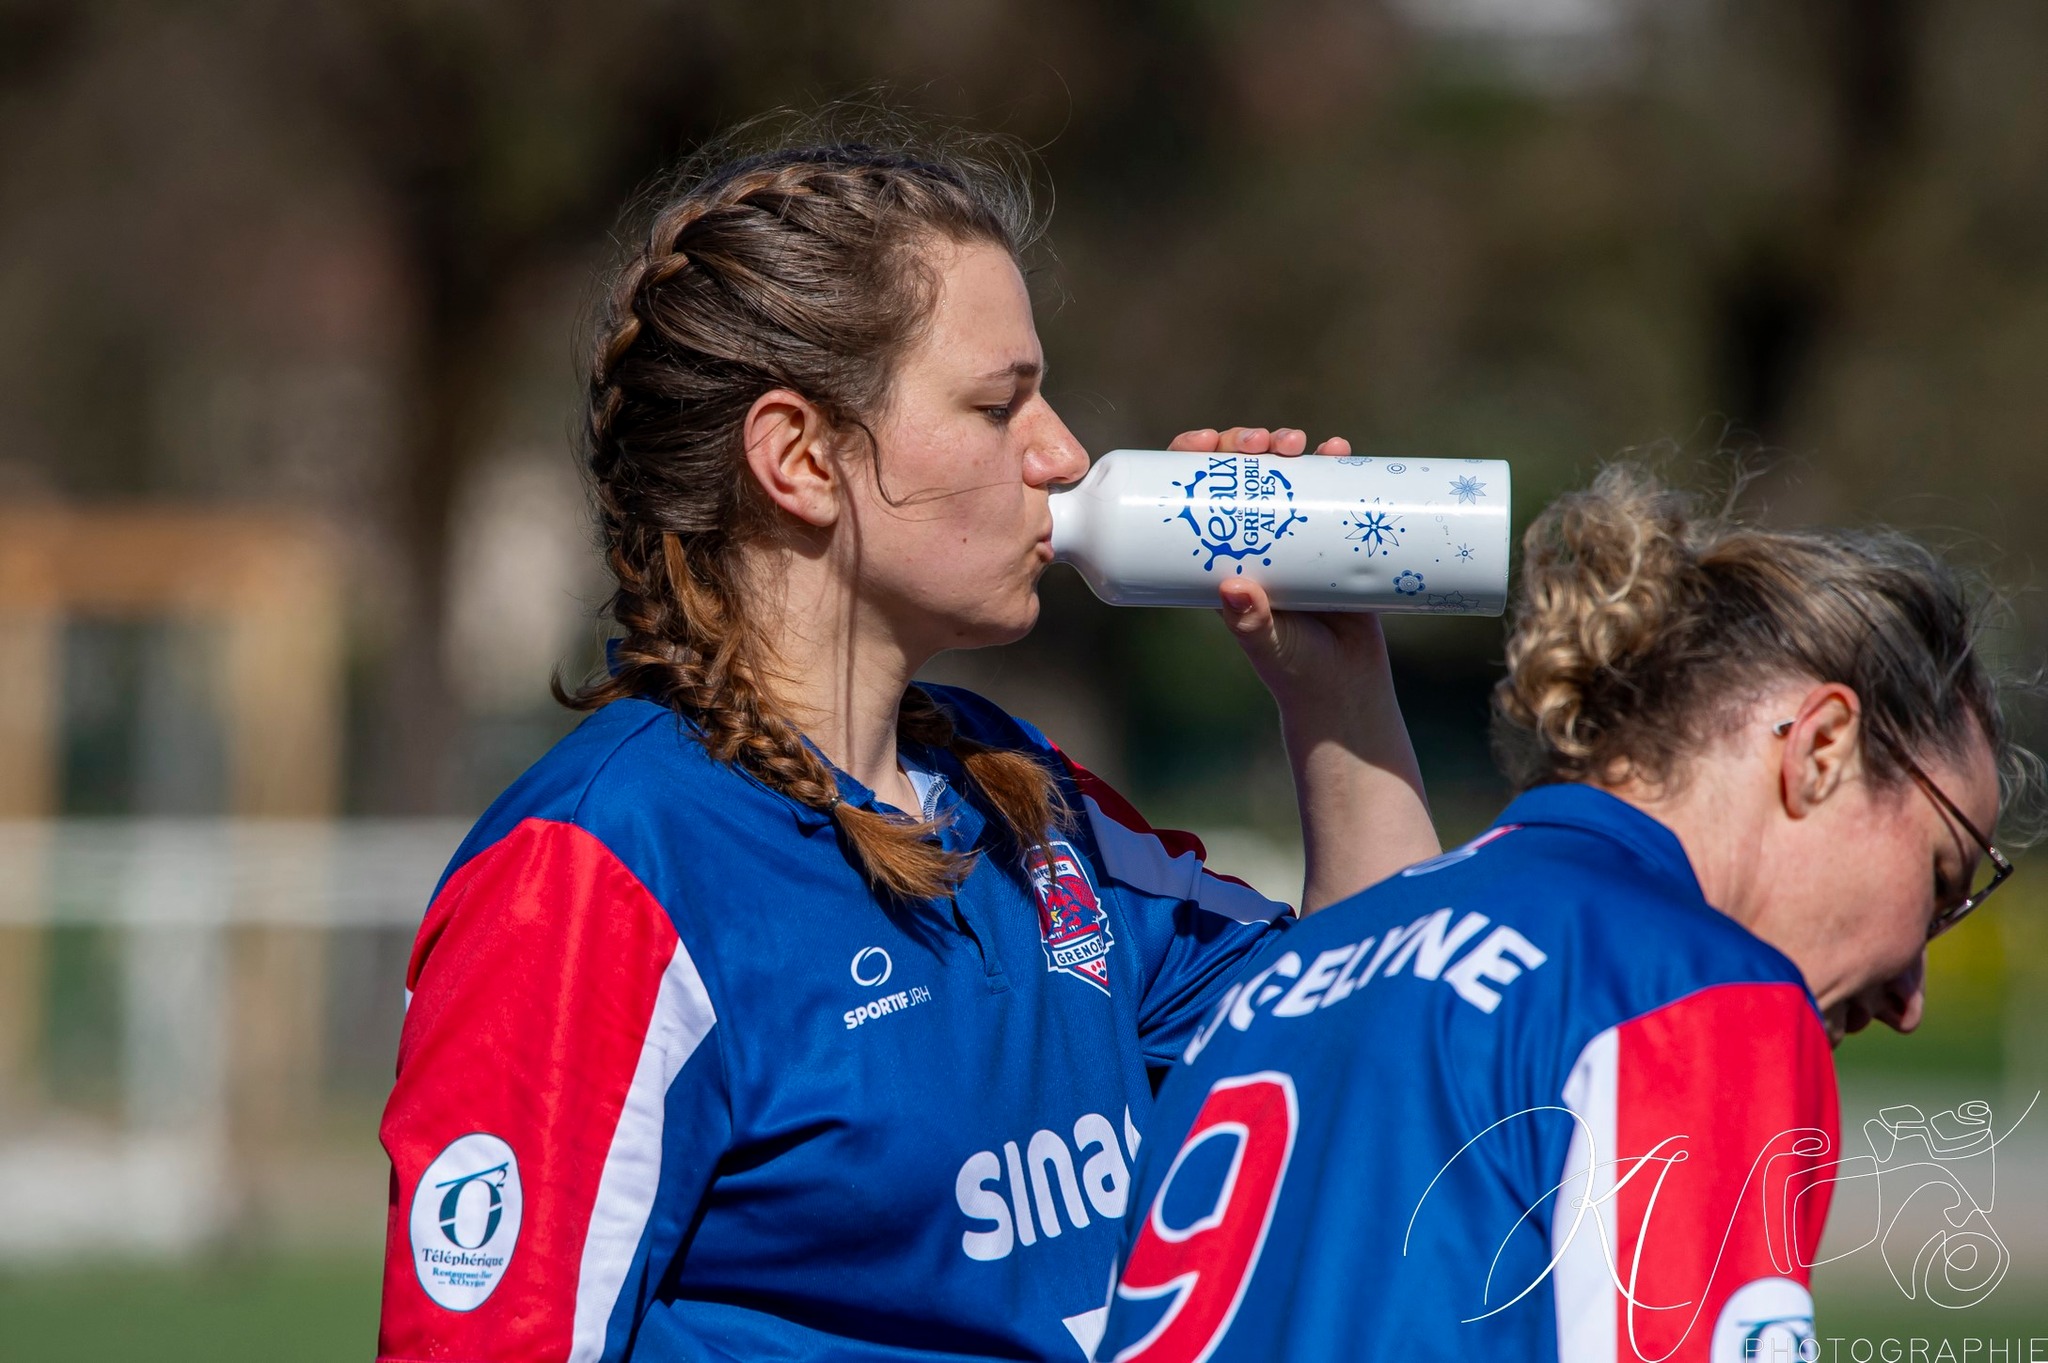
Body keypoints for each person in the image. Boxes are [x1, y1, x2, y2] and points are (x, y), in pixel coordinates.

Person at [373, 120, 1441, 1363]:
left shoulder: (1032, 808)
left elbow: (1386, 1052)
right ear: (799, 459)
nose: (1061, 454)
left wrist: (1335, 694)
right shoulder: (600, 873)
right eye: (999, 405)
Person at [1096, 464, 2029, 1363]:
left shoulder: (1282, 984)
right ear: (1821, 749)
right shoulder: (1691, 989)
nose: (1911, 992)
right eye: (1942, 879)